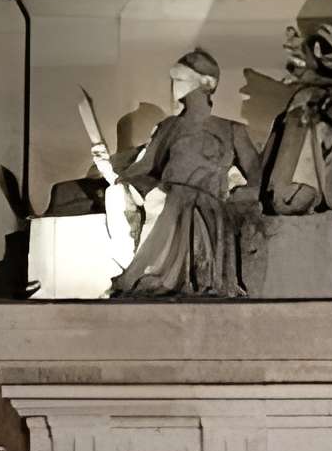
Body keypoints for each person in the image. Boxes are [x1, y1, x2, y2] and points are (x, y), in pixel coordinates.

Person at [111, 50, 261, 298]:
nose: (173, 86)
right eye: (173, 79)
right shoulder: (169, 127)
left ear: (207, 83)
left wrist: (239, 195)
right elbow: (145, 168)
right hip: (170, 200)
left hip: (208, 207)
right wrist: (123, 177)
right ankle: (152, 273)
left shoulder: (231, 130)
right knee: (174, 197)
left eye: (180, 79)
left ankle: (158, 275)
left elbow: (257, 177)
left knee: (181, 199)